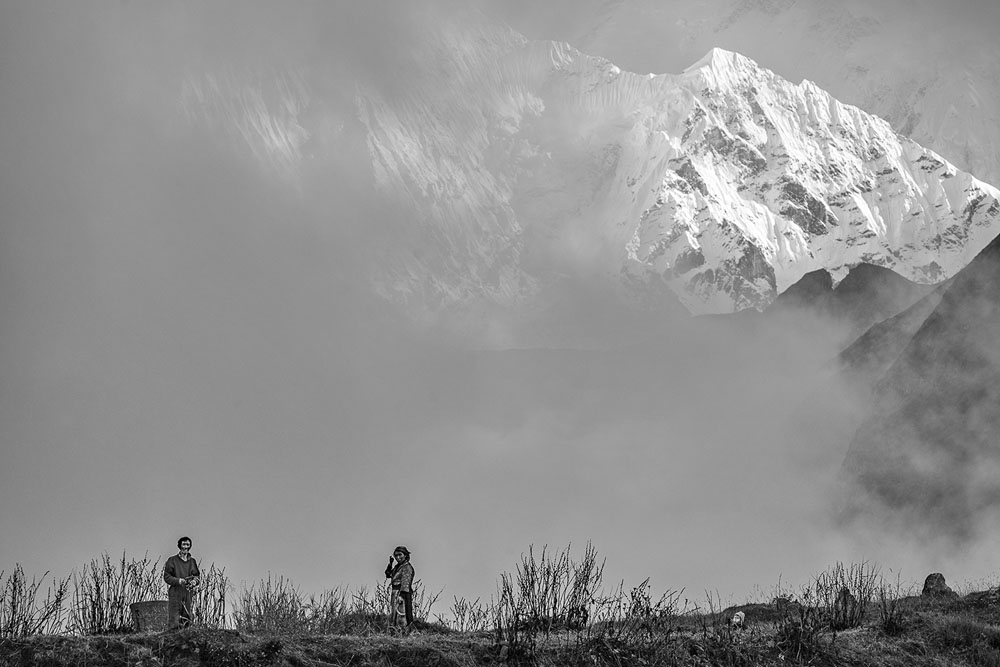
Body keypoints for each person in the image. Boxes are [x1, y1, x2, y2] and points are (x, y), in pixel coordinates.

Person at [163, 536, 200, 630]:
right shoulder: (172, 560)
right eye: (184, 544)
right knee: (174, 618)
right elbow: (167, 577)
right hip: (176, 592)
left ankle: (185, 639)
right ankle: (171, 639)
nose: (186, 547)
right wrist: (179, 581)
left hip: (188, 592)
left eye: (188, 544)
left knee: (187, 617)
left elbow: (197, 576)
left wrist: (194, 582)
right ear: (179, 546)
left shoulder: (192, 561)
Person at [384, 546, 415, 630]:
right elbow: (388, 574)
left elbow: (406, 582)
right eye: (396, 556)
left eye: (400, 555)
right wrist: (390, 563)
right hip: (395, 592)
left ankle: (403, 630)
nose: (398, 557)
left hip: (402, 593)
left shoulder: (406, 567)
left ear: (405, 555)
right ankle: (395, 629)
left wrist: (401, 595)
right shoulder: (398, 567)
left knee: (402, 612)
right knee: (394, 612)